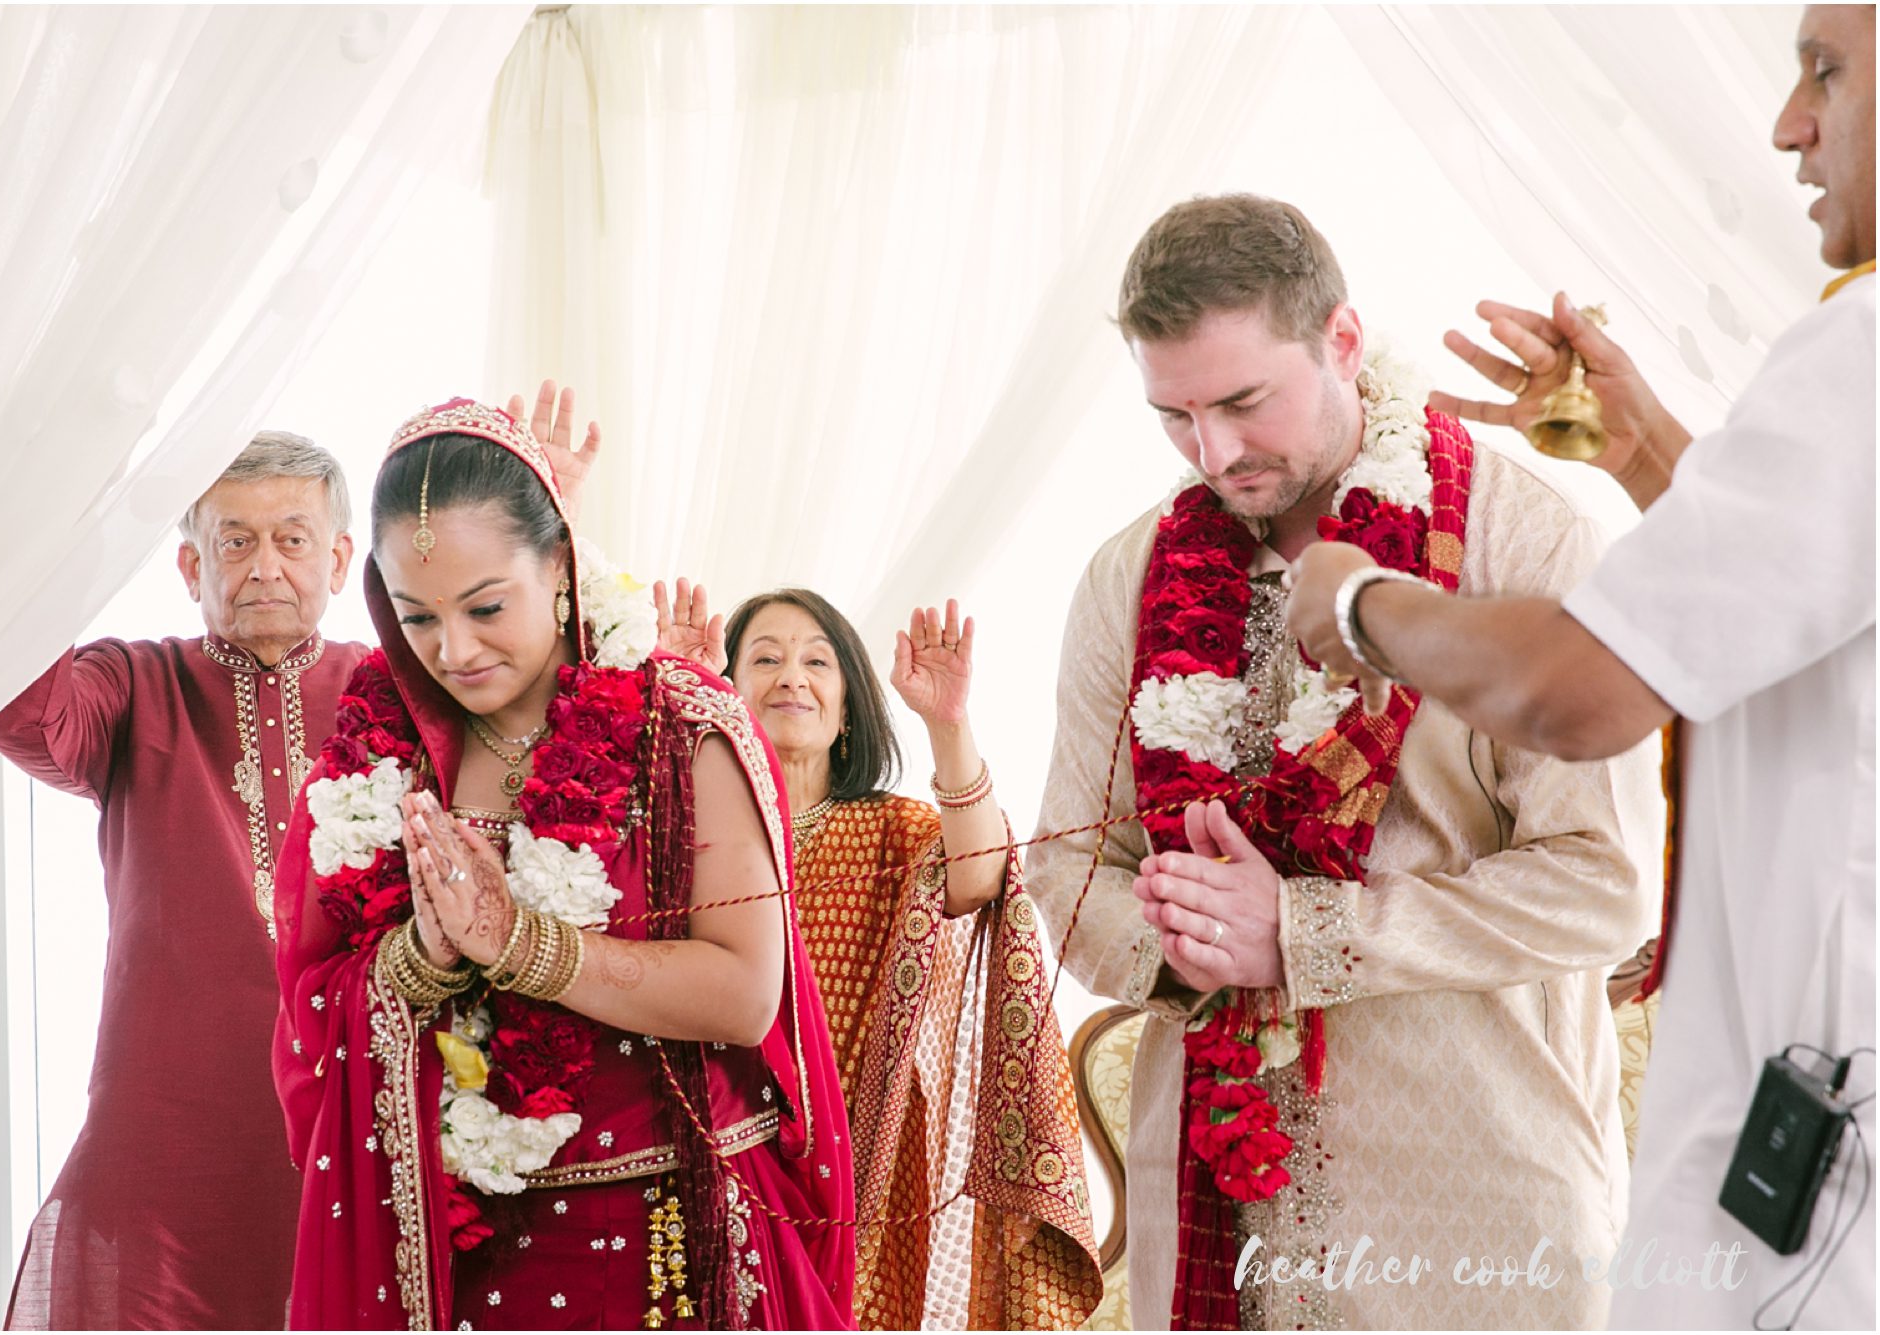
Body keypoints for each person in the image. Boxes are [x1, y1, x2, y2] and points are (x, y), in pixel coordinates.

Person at [1287, 7, 1875, 1327]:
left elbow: (1581, 689)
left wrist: (1362, 602)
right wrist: (1642, 442)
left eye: (1829, 75)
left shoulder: (1865, 347)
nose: (1788, 125)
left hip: (1821, 1171)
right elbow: (1793, 616)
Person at [1026, 193, 1668, 1329]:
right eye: (1172, 414)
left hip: (1477, 1207)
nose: (1212, 452)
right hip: (1218, 1210)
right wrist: (1193, 943)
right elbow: (1071, 870)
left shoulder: (1522, 539)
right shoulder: (1125, 576)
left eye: (1240, 401)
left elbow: (1603, 885)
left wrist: (1301, 933)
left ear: (1341, 340)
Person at [0, 387, 598, 1330]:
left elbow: (551, 727)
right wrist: (49, 521)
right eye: (235, 540)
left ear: (344, 560)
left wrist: (559, 537)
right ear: (189, 563)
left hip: (363, 1109)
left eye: (293, 538)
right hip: (170, 1131)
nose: (264, 564)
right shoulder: (132, 684)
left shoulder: (401, 686)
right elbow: (27, 708)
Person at [272, 399, 853, 1331]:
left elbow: (746, 989)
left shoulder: (682, 728)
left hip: (676, 1246)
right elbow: (313, 1001)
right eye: (416, 615)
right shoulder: (376, 767)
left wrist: (520, 943)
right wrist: (423, 953)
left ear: (561, 564)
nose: (453, 650)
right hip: (469, 1264)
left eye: (487, 606)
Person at [652, 584, 1104, 1328]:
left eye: (816, 661)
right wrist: (677, 695)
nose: (790, 675)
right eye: (763, 658)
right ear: (729, 693)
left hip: (859, 1169)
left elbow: (982, 878)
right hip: (711, 1152)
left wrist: (948, 723)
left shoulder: (894, 830)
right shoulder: (681, 834)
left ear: (847, 707)